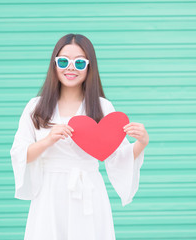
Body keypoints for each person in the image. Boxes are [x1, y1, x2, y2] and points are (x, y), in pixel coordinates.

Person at [10, 33, 149, 240]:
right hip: (50, 194)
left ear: (89, 67)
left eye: (80, 62)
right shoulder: (35, 107)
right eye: (64, 61)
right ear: (54, 64)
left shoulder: (103, 107)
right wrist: (49, 140)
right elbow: (21, 154)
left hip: (89, 194)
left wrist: (141, 142)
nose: (71, 68)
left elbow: (119, 156)